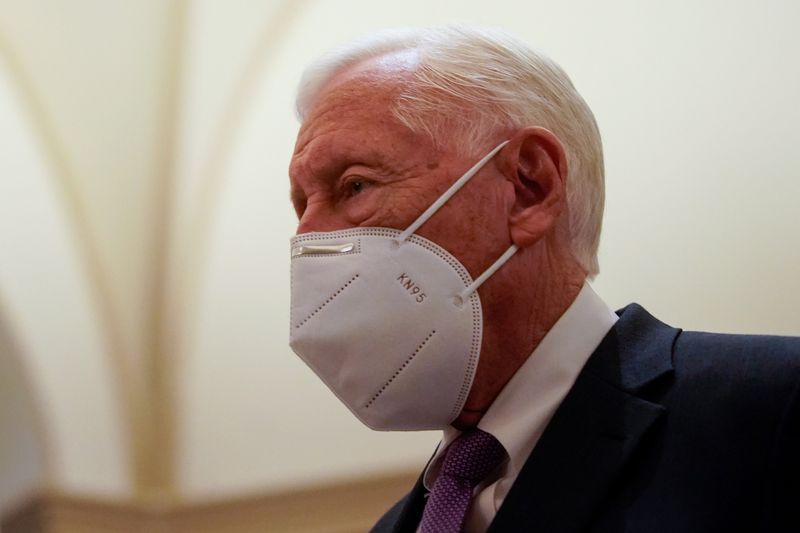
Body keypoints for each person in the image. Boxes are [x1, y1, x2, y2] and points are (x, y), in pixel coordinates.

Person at [287, 25, 800, 532]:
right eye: (300, 207)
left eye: (354, 185)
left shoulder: (772, 407)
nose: (308, 239)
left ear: (530, 186)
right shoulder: (398, 525)